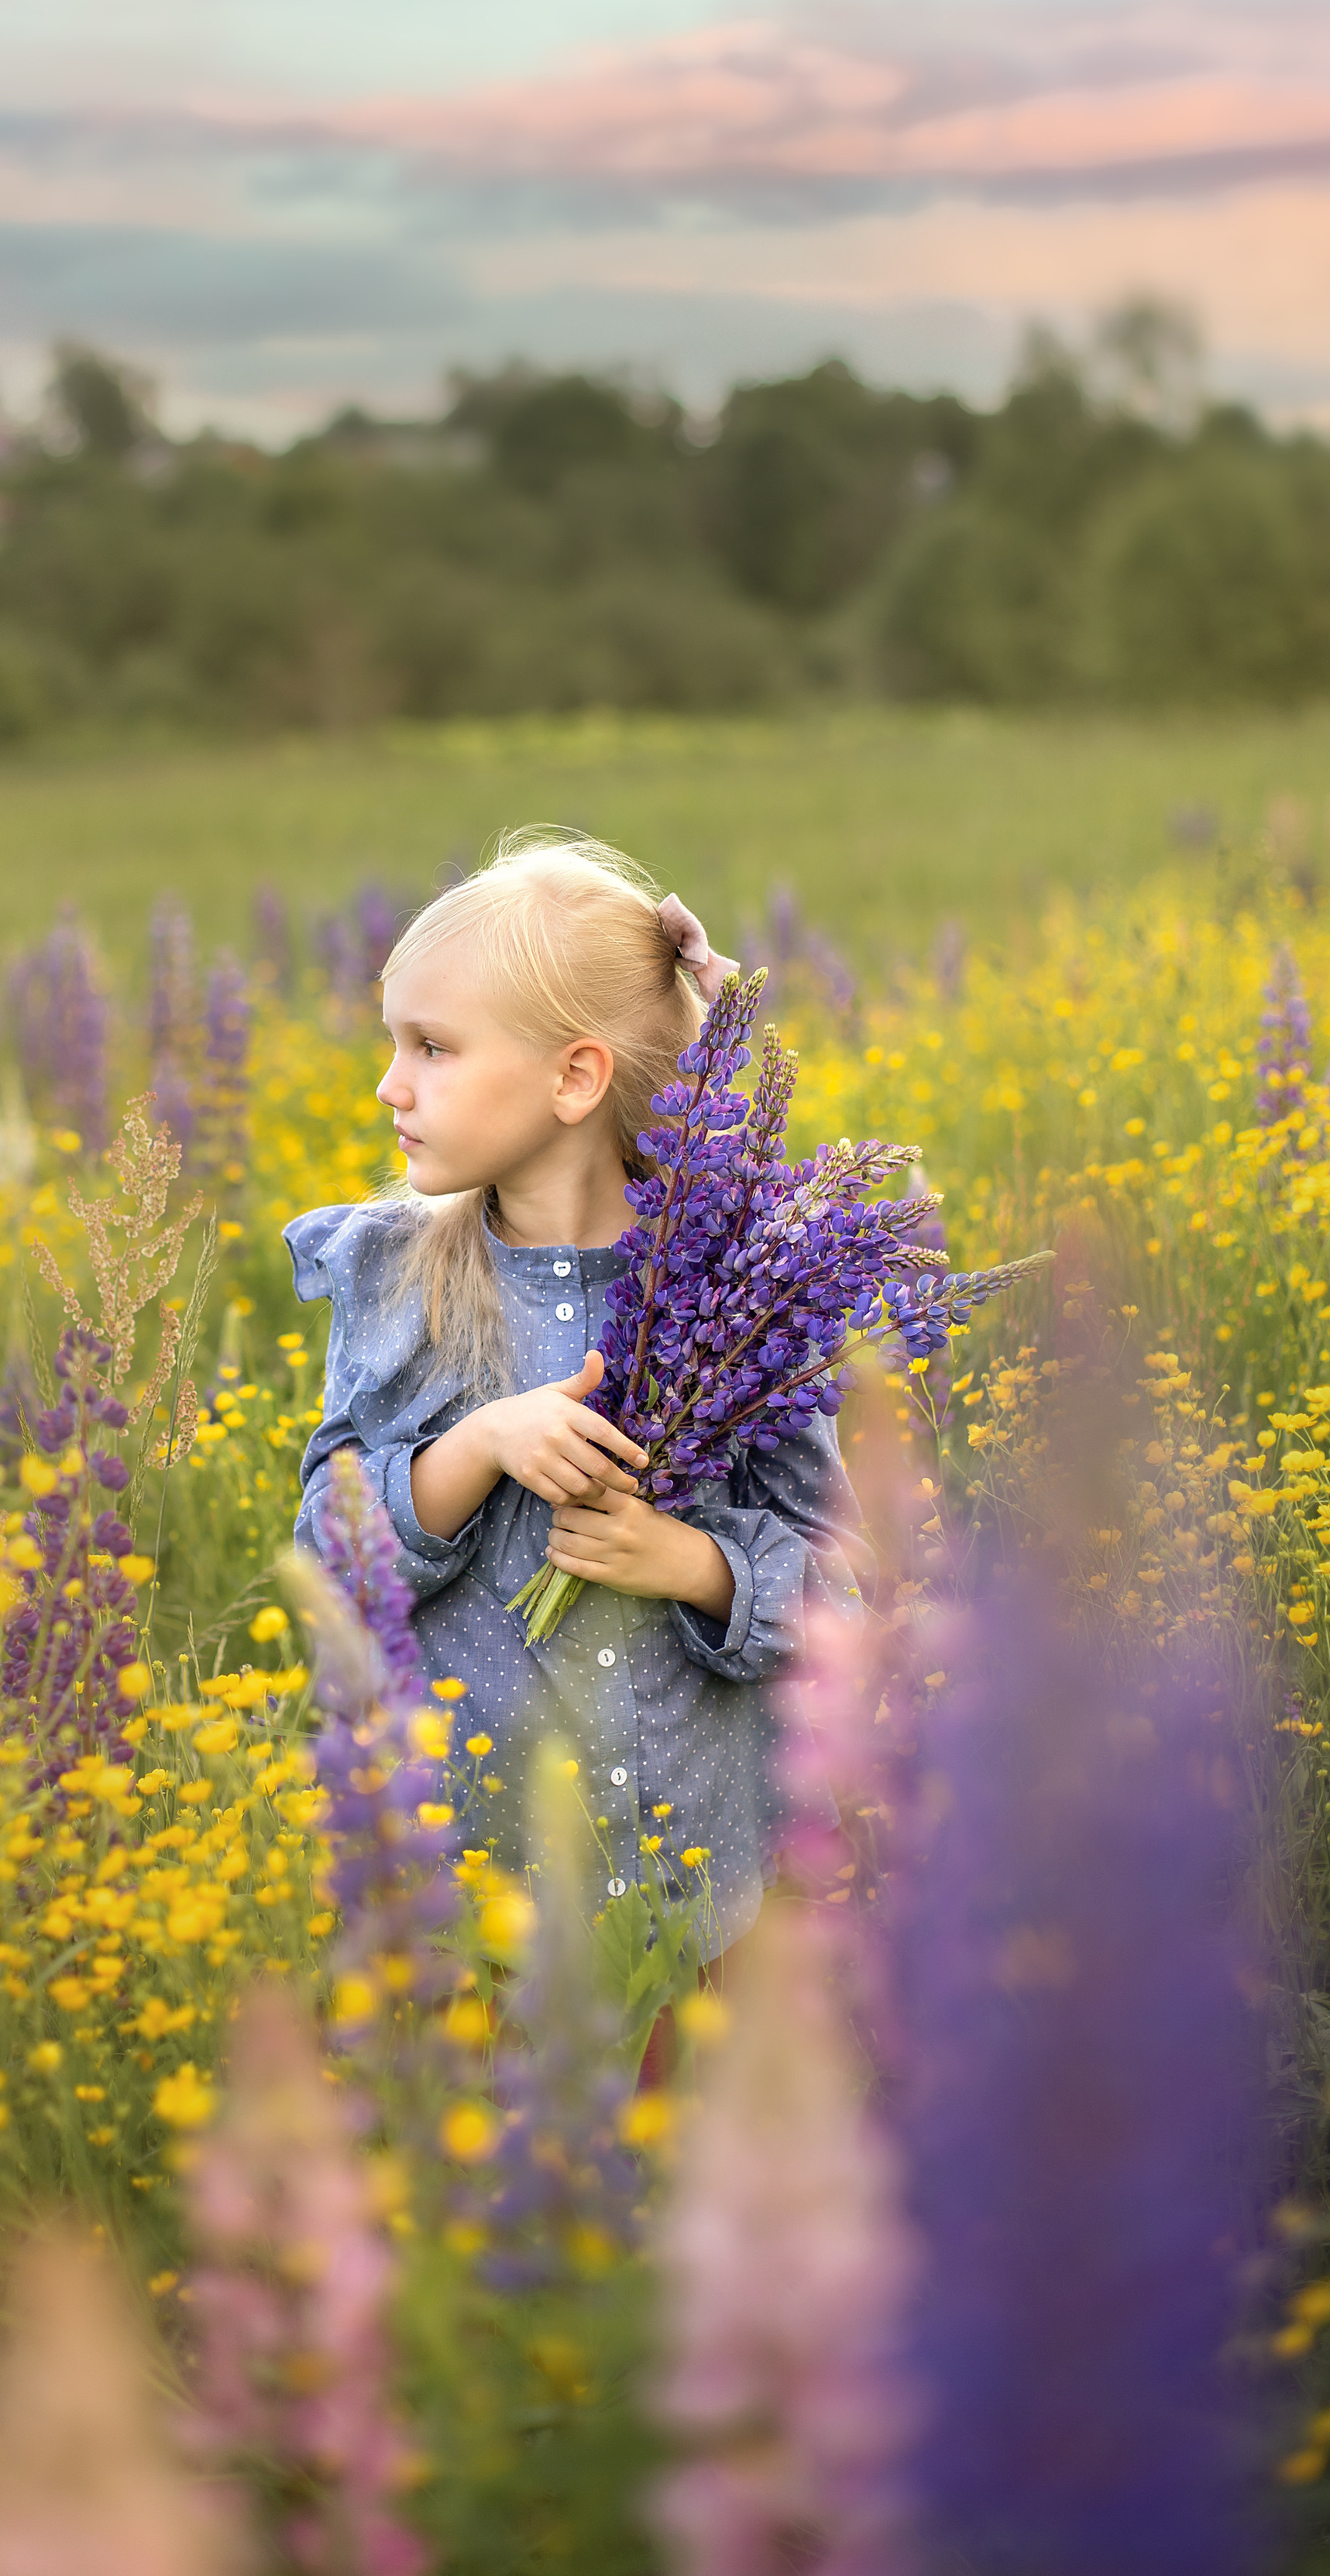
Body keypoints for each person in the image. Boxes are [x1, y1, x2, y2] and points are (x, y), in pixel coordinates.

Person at [285, 830, 865, 1960]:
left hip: (699, 1899)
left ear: (575, 1077)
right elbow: (327, 1561)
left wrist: (692, 1564)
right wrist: (474, 1448)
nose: (389, 1085)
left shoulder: (746, 1293)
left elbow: (848, 1595)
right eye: (394, 1043)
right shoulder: (395, 1277)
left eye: (432, 1048)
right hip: (468, 1908)